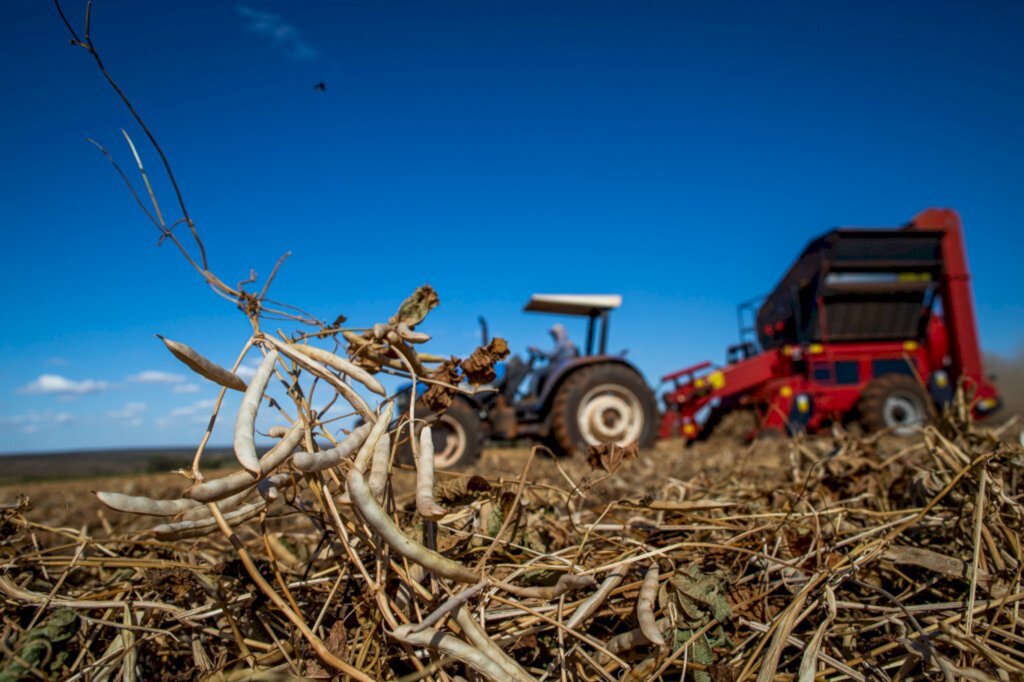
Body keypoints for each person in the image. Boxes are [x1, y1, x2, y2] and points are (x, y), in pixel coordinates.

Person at [528, 323, 578, 394]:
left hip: (558, 365)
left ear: (559, 333)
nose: (553, 336)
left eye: (554, 334)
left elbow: (551, 355)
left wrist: (537, 349)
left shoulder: (562, 342)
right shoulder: (565, 342)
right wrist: (541, 355)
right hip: (559, 364)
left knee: (537, 372)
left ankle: (531, 395)